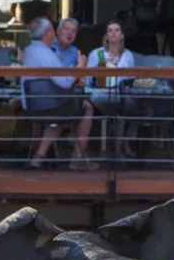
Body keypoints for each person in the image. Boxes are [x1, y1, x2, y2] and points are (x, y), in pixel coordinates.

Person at [22, 16, 95, 170]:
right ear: (49, 32)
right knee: (83, 108)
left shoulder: (29, 50)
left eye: (74, 31)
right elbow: (66, 82)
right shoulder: (48, 54)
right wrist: (80, 68)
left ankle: (39, 157)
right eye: (58, 30)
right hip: (50, 105)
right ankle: (77, 158)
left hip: (34, 105)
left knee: (63, 111)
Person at [87, 20, 142, 160]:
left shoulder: (128, 55)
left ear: (122, 35)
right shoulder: (97, 54)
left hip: (123, 94)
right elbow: (88, 79)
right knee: (120, 108)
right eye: (110, 30)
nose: (113, 33)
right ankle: (120, 149)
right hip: (102, 94)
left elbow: (131, 80)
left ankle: (124, 144)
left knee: (137, 106)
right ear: (106, 36)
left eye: (117, 30)